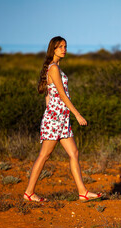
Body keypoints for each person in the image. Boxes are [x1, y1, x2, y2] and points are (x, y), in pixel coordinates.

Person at [24, 36, 102, 202]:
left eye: (65, 46)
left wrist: (59, 113)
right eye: (60, 47)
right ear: (53, 49)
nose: (64, 49)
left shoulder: (56, 68)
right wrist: (77, 114)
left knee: (74, 153)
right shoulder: (53, 68)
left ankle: (82, 192)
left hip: (61, 118)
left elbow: (48, 95)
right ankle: (29, 193)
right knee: (44, 155)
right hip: (55, 119)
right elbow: (62, 95)